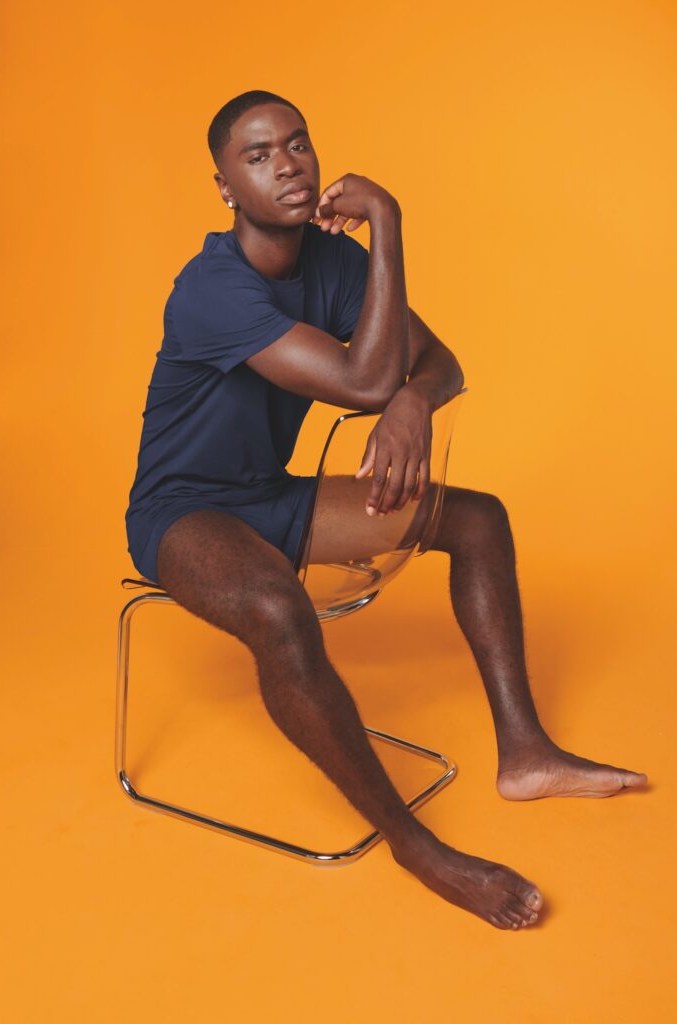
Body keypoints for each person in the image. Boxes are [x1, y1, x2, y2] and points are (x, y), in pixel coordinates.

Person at [124, 90, 648, 931]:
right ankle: (413, 844)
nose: (287, 163)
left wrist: (413, 405)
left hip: (268, 496)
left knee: (476, 519)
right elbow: (368, 381)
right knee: (276, 608)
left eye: (296, 143)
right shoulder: (209, 289)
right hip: (184, 513)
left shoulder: (327, 268)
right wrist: (390, 225)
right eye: (257, 156)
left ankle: (524, 752)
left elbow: (438, 362)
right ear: (223, 186)